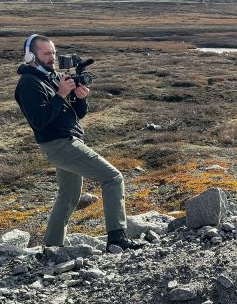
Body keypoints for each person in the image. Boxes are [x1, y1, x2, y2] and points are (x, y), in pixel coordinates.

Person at [14, 34, 142, 249]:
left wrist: (79, 98)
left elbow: (74, 115)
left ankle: (52, 247)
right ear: (30, 55)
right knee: (112, 178)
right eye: (46, 53)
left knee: (69, 196)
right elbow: (40, 122)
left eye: (53, 52)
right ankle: (117, 238)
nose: (52, 57)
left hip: (67, 140)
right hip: (59, 144)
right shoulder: (28, 83)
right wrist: (60, 95)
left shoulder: (52, 77)